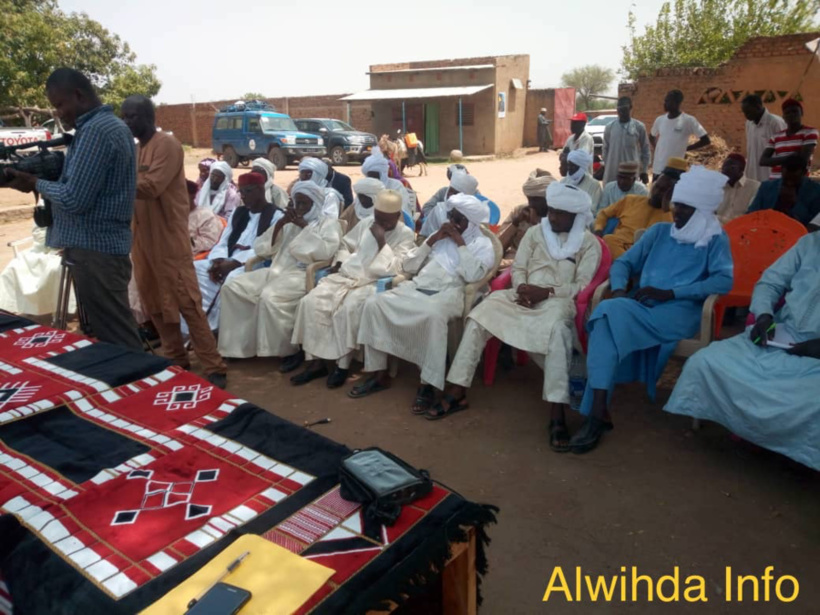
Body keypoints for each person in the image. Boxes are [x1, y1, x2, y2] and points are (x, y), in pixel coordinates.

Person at [572, 166, 734, 453]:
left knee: (605, 317)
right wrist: (620, 289)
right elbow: (623, 263)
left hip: (679, 312)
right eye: (676, 205)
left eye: (685, 207)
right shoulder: (660, 232)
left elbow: (723, 280)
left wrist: (672, 292)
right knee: (607, 319)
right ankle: (597, 412)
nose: (676, 212)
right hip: (642, 305)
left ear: (701, 211)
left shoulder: (714, 239)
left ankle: (596, 414)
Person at [440, 183, 602, 437]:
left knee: (559, 333)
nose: (554, 217)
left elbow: (582, 286)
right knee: (480, 315)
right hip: (521, 295)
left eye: (561, 214)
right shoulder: (536, 233)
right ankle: (457, 390)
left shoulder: (588, 243)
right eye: (553, 211)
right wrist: (523, 288)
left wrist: (546, 292)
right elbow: (518, 268)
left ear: (577, 216)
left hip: (556, 302)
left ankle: (557, 411)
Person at [4, 68, 141, 349]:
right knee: (111, 334)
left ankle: (142, 385)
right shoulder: (103, 128)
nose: (59, 113)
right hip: (97, 250)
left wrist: (35, 183)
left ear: (78, 95)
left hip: (97, 253)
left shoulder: (96, 131)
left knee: (118, 338)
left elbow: (75, 199)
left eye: (60, 104)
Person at [664, 232, 820, 470]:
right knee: (706, 361)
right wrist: (764, 315)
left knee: (810, 401)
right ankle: (750, 433)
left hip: (815, 353)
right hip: (784, 334)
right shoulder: (810, 243)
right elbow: (770, 282)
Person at [121, 95, 227, 387]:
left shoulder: (166, 144)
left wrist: (115, 177)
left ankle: (214, 365)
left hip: (169, 240)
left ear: (149, 117)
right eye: (124, 117)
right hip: (142, 241)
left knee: (187, 304)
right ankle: (176, 361)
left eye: (132, 116)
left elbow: (152, 186)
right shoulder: (135, 150)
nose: (127, 122)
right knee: (155, 304)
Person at [350, 195, 494, 410]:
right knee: (374, 303)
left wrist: (460, 243)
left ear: (472, 223)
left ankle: (426, 384)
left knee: (432, 316)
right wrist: (432, 240)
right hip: (418, 286)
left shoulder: (483, 244)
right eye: (451, 216)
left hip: (450, 292)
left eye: (459, 219)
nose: (452, 222)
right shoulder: (440, 238)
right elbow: (409, 265)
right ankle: (379, 374)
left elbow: (473, 276)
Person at [290, 190, 416, 388]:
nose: (381, 223)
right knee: (310, 302)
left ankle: (342, 365)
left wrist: (382, 240)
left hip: (374, 282)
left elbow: (397, 268)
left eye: (386, 220)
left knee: (347, 310)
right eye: (378, 217)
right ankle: (315, 362)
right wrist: (340, 262)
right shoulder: (367, 224)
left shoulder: (406, 234)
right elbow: (346, 245)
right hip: (347, 275)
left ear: (397, 215)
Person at [217, 181, 342, 368]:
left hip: (301, 274)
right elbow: (262, 247)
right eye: (295, 203)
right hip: (276, 270)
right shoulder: (288, 221)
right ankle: (239, 346)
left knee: (270, 297)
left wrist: (305, 227)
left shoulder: (328, 224)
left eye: (303, 204)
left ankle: (286, 350)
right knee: (232, 287)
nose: (298, 208)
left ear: (314, 203)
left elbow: (325, 253)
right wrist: (280, 225)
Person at [188, 172, 281, 332]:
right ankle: (204, 325)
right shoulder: (239, 213)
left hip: (254, 262)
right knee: (195, 269)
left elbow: (268, 249)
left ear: (260, 189)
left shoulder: (276, 215)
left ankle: (225, 330)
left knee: (232, 278)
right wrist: (218, 260)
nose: (243, 196)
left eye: (247, 191)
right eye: (241, 192)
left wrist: (234, 263)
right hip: (227, 258)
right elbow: (224, 240)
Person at [593, 157, 687, 259]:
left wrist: (666, 209)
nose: (657, 192)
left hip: (646, 255)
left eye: (664, 190)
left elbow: (668, 243)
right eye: (657, 187)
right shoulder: (631, 200)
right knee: (609, 239)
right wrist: (598, 229)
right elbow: (603, 213)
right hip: (619, 248)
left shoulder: (673, 216)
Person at [0, 224, 75, 316]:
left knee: (54, 269)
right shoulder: (43, 212)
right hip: (40, 250)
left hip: (61, 251)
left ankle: (57, 309)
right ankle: (11, 306)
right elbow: (38, 233)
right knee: (14, 266)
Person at [498, 169, 555, 265]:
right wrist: (515, 223)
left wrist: (537, 225)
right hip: (513, 259)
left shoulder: (559, 217)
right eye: (529, 199)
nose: (530, 204)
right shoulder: (520, 211)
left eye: (535, 200)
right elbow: (497, 247)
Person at [649, 90, 710, 179]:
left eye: (668, 101)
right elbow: (651, 136)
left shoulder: (688, 120)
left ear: (677, 102)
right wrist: (657, 148)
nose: (665, 103)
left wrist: (687, 148)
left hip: (675, 169)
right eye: (665, 100)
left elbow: (705, 140)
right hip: (658, 168)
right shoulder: (660, 120)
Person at [747, 153, 820, 227]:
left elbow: (815, 224)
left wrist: (795, 204)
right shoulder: (767, 187)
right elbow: (752, 213)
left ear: (804, 173)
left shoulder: (815, 191)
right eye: (786, 179)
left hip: (800, 234)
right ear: (781, 171)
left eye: (794, 179)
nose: (789, 183)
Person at [760, 98, 818, 180]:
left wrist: (774, 161)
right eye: (787, 113)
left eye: (795, 111)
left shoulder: (809, 132)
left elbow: (803, 160)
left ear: (801, 113)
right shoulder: (776, 136)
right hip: (774, 182)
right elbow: (763, 161)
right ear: (783, 116)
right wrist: (790, 157)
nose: (791, 115)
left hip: (797, 184)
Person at [602, 97, 651, 185]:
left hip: (631, 172)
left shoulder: (639, 127)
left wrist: (644, 171)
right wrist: (607, 165)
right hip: (612, 172)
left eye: (624, 109)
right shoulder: (610, 127)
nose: (621, 112)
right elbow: (605, 149)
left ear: (630, 108)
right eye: (619, 110)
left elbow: (646, 150)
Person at [741, 94, 787, 182]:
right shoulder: (749, 123)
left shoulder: (775, 123)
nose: (746, 115)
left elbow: (783, 151)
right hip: (753, 175)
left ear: (758, 107)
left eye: (748, 112)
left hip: (771, 175)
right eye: (744, 112)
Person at [420, 171, 479, 237]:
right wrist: (438, 235)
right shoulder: (438, 212)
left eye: (456, 193)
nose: (450, 195)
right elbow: (421, 239)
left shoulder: (476, 218)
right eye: (450, 191)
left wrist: (458, 239)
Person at [361, 148, 414, 216]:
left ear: (383, 173)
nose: (373, 179)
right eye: (370, 176)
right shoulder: (364, 188)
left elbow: (404, 210)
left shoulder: (396, 186)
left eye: (375, 176)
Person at [716, 154, 760, 224]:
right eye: (724, 168)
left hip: (743, 230)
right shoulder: (716, 188)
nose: (726, 171)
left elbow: (753, 216)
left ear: (741, 170)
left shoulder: (755, 187)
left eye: (732, 168)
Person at [186, 180, 224, 256]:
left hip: (192, 258)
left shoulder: (205, 216)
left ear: (192, 196)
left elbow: (209, 242)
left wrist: (180, 243)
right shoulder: (172, 214)